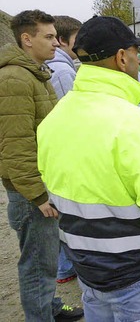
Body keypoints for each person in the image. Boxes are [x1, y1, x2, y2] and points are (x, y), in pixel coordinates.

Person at [37, 16, 140, 321]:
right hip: (136, 272)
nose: (139, 60)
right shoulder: (135, 124)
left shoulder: (54, 119)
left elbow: (56, 188)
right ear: (122, 58)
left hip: (87, 267)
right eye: (137, 53)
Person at [0, 9, 83, 322]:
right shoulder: (14, 79)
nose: (55, 44)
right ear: (26, 39)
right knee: (36, 262)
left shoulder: (35, 72)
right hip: (30, 191)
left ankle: (47, 307)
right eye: (48, 37)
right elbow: (16, 146)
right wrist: (37, 195)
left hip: (42, 182)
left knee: (46, 258)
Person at [44, 15, 82, 285]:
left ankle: (64, 267)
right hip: (63, 153)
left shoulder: (52, 66)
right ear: (64, 40)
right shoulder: (64, 72)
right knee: (66, 212)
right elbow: (70, 115)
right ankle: (66, 267)